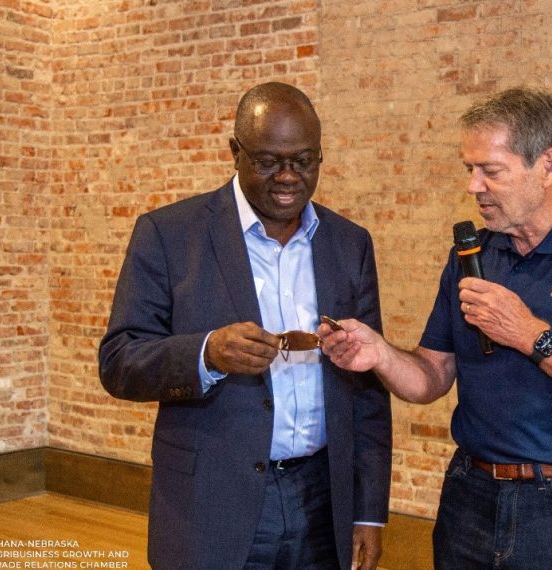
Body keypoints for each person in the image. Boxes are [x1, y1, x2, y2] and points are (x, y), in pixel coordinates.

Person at [319, 87, 552, 569]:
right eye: (470, 170)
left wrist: (531, 335)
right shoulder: (472, 255)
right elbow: (431, 377)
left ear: (547, 166)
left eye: (491, 170)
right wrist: (379, 353)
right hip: (470, 498)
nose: (474, 186)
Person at [99, 82, 391, 570]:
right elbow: (119, 362)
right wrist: (206, 353)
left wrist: (368, 511)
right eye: (268, 161)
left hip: (324, 501)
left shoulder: (349, 243)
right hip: (210, 502)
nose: (287, 177)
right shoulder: (169, 235)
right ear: (235, 152)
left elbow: (368, 388)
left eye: (304, 161)